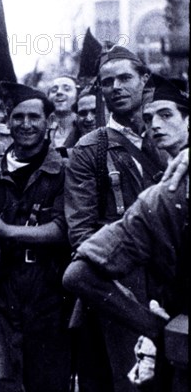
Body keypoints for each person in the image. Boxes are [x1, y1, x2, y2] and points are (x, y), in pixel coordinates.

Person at [65, 46, 167, 392]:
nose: (116, 87)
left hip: (173, 277)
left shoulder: (170, 137)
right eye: (107, 82)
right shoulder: (90, 148)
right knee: (135, 380)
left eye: (125, 78)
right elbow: (81, 233)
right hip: (127, 285)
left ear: (144, 80)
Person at [0, 81, 71, 392]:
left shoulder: (63, 169)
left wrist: (6, 229)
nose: (25, 125)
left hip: (47, 286)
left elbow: (64, 229)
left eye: (34, 117)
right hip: (0, 286)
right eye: (18, 117)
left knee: (47, 378)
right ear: (8, 122)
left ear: (49, 123)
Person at [47, 75, 78, 148]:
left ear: (76, 96)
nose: (59, 92)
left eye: (66, 89)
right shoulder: (42, 126)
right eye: (54, 90)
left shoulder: (85, 124)